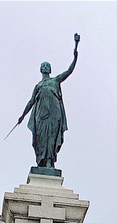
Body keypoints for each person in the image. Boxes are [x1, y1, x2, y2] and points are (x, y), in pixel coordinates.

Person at [16, 35, 80, 170]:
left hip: (54, 113)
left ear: (50, 70)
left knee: (51, 136)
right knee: (40, 136)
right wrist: (22, 115)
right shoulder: (38, 85)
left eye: (47, 66)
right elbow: (31, 101)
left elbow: (69, 71)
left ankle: (50, 162)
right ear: (41, 69)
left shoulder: (55, 80)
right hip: (40, 114)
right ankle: (41, 161)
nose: (45, 67)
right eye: (43, 65)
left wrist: (75, 55)